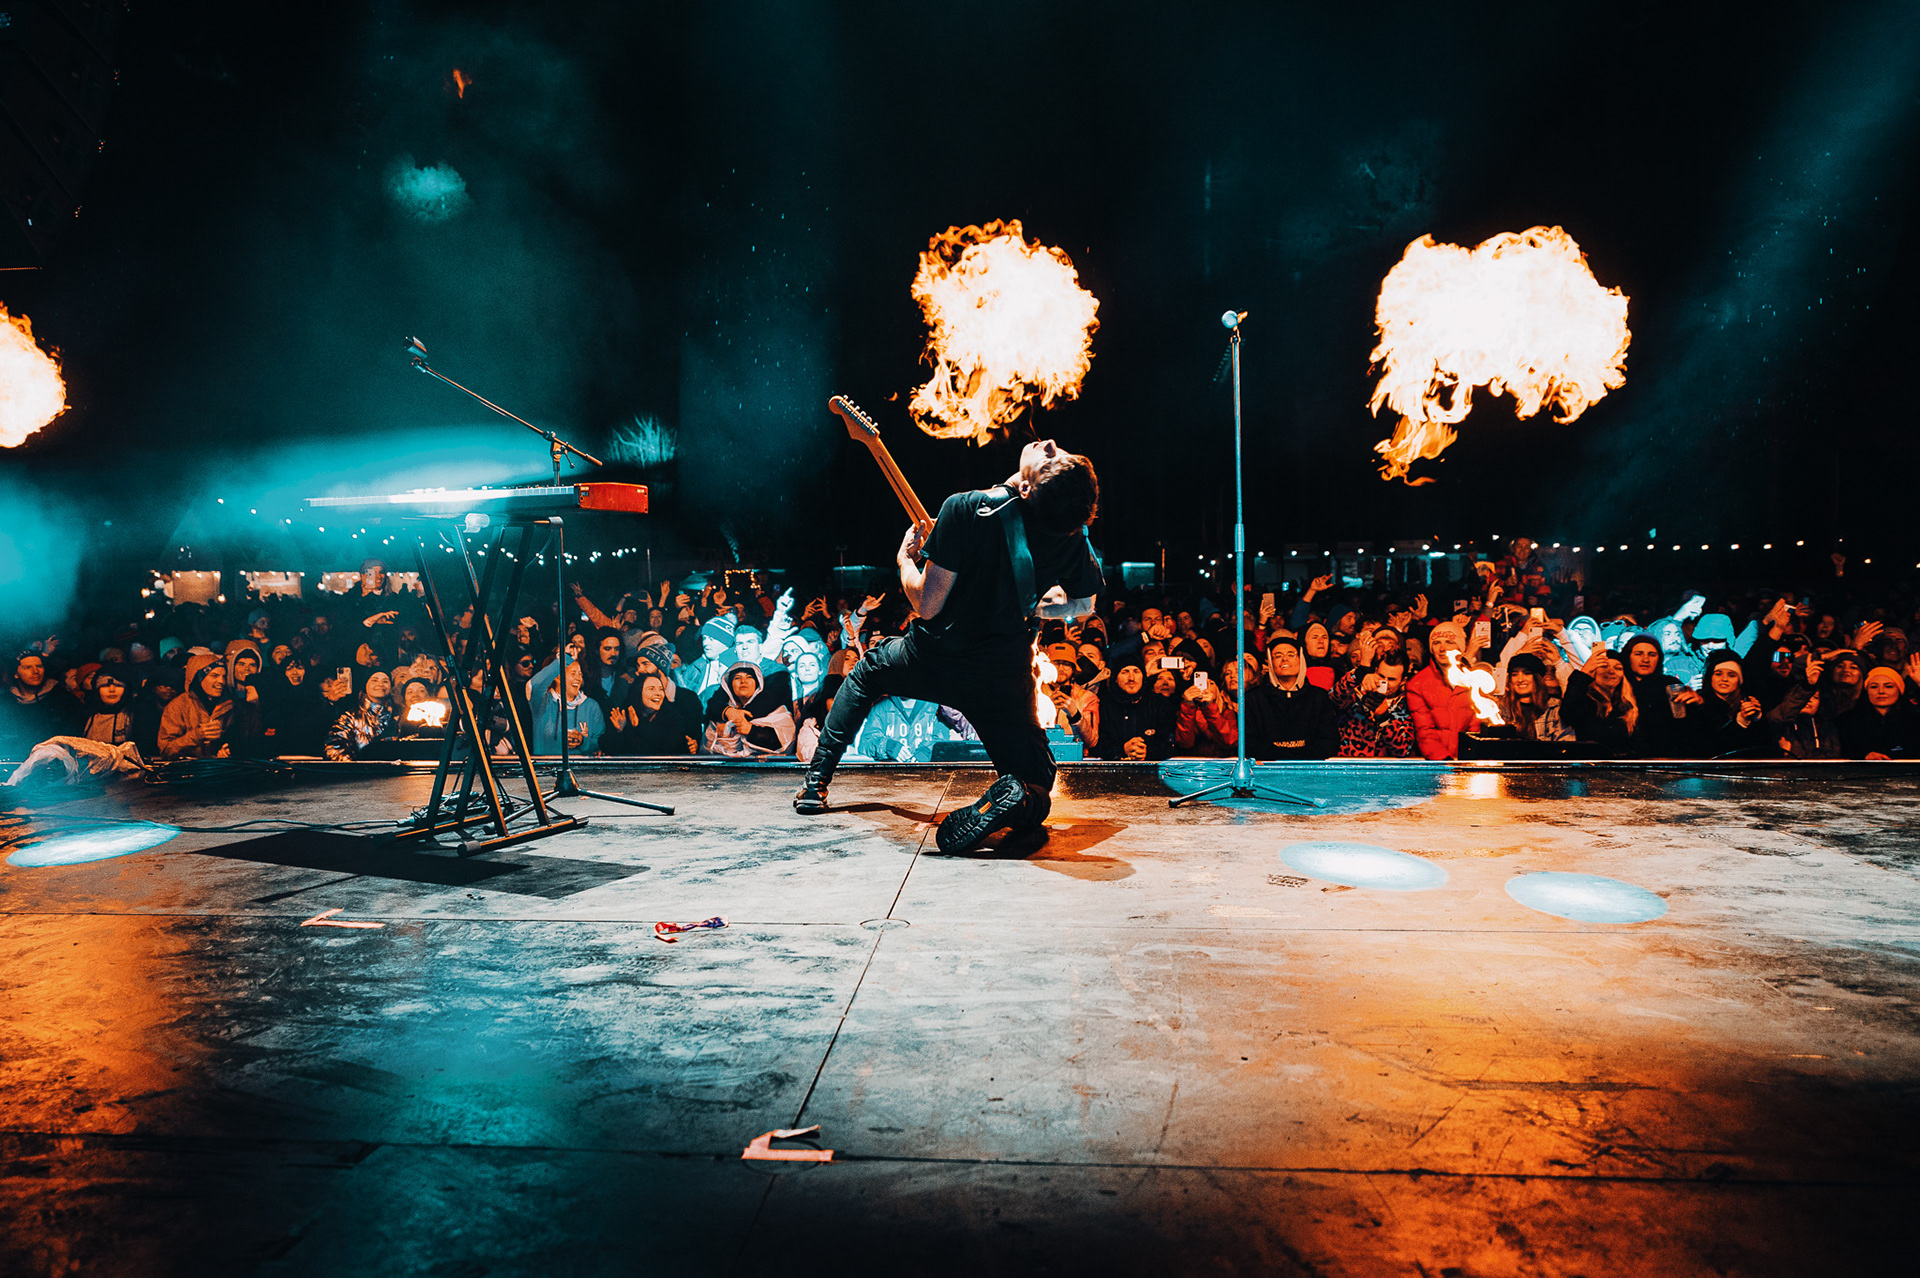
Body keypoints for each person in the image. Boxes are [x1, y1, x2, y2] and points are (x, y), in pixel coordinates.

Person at [795, 438, 1102, 854]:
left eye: (1052, 457)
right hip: (1001, 679)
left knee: (866, 674)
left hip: (933, 659)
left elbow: (925, 604)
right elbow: (1083, 605)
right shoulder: (1068, 533)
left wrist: (905, 561)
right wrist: (1033, 604)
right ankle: (1018, 799)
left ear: (1028, 489)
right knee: (1038, 786)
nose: (1048, 444)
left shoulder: (965, 508)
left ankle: (815, 785)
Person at [1243, 634, 1337, 760]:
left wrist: (1300, 758)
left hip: (1309, 768)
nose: (1284, 659)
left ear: (1301, 659)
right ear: (1270, 662)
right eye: (1278, 656)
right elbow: (1249, 743)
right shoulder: (1253, 699)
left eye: (1291, 654)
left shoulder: (1319, 697)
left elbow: (1329, 741)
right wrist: (1279, 757)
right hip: (1269, 768)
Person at [1405, 622, 1479, 760]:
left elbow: (1475, 728)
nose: (1442, 648)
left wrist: (1468, 760)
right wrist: (1445, 761)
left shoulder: (1474, 678)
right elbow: (1425, 732)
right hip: (1436, 763)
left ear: (1460, 647)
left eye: (1449, 642)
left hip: (1467, 762)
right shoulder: (1417, 684)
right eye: (1436, 643)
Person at [1331, 651, 1415, 757]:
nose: (1384, 682)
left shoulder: (1406, 705)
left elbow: (1402, 750)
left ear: (1403, 681)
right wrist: (1359, 674)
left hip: (1383, 765)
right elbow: (1334, 697)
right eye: (1381, 676)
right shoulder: (1356, 692)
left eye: (1391, 679)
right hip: (1348, 762)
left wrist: (1384, 718)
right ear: (1375, 671)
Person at [703, 662, 796, 756]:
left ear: (758, 683)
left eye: (749, 677)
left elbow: (785, 741)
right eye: (737, 678)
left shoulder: (776, 711)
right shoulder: (721, 715)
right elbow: (707, 747)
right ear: (730, 685)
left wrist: (751, 731)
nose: (743, 681)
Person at [1096, 658, 1175, 760]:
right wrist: (1123, 749)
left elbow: (1169, 743)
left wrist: (1147, 751)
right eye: (1125, 672)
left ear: (1143, 677)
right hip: (1114, 767)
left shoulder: (1159, 703)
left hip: (1152, 767)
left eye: (1136, 672)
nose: (1131, 678)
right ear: (1115, 678)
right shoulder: (1104, 705)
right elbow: (1097, 745)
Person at [157, 653, 233, 759]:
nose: (221, 681)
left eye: (224, 676)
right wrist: (197, 735)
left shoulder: (229, 705)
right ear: (198, 677)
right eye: (214, 675)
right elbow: (166, 750)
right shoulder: (178, 706)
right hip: (188, 768)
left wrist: (228, 750)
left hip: (220, 767)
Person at [528, 656, 604, 755]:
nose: (578, 679)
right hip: (547, 764)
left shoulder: (591, 707)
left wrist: (583, 741)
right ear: (558, 677)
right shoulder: (543, 703)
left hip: (581, 764)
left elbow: (600, 743)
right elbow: (533, 686)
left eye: (580, 674)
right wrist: (564, 658)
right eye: (573, 674)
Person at [602, 672, 693, 755]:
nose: (658, 693)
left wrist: (638, 726)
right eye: (651, 689)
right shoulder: (626, 713)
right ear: (639, 692)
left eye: (661, 689)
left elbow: (661, 750)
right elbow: (608, 748)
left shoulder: (673, 718)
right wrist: (620, 730)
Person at [1838, 666, 1918, 759]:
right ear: (1866, 691)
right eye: (1874, 687)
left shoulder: (1914, 721)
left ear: (1899, 690)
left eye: (1888, 686)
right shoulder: (1846, 721)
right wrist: (1864, 756)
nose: (1881, 691)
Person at [324, 670, 399, 760]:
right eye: (374, 680)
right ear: (365, 685)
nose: (380, 684)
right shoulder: (350, 717)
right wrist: (353, 764)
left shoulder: (398, 715)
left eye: (385, 681)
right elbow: (333, 746)